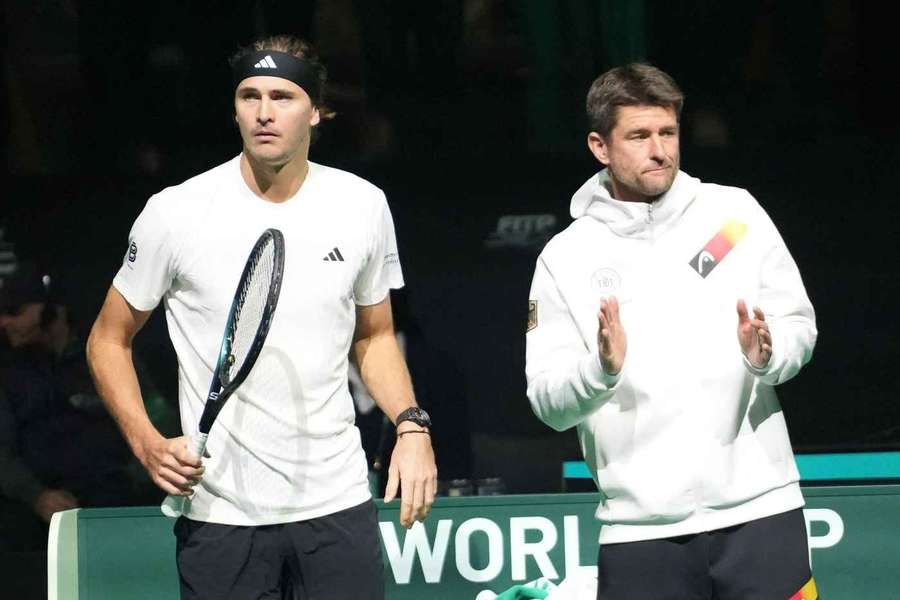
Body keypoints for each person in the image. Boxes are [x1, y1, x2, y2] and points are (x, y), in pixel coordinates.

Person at [86, 34, 437, 600]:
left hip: (336, 504)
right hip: (220, 514)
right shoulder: (175, 212)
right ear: (234, 108)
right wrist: (146, 441)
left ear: (318, 111)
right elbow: (108, 339)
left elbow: (373, 338)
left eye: (283, 96)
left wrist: (411, 426)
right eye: (250, 96)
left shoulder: (362, 204)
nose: (265, 113)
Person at [525, 63, 818, 599]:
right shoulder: (565, 257)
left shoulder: (735, 215)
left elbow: (799, 324)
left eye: (668, 132)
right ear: (600, 146)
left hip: (761, 514)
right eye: (639, 136)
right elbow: (547, 401)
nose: (659, 150)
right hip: (642, 532)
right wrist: (601, 371)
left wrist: (768, 354)